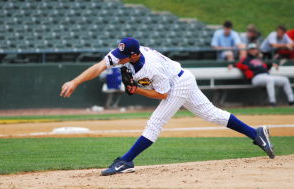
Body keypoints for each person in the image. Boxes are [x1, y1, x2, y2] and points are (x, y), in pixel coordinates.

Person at [60, 37, 275, 176]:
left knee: (155, 122)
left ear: (134, 55)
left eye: (125, 57)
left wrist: (136, 90)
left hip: (177, 84)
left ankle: (126, 161)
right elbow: (99, 66)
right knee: (212, 115)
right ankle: (255, 133)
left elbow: (162, 94)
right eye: (120, 55)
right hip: (181, 77)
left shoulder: (149, 68)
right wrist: (75, 82)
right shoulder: (126, 53)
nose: (121, 59)